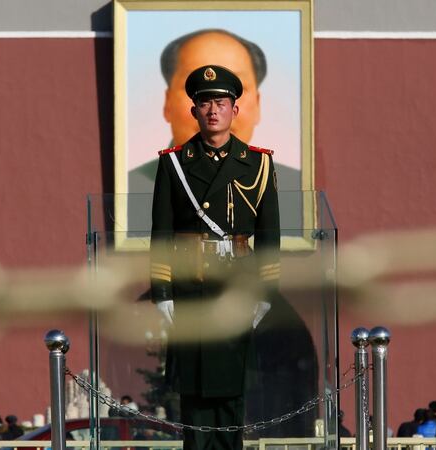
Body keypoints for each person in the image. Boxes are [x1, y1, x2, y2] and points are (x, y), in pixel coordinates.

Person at [150, 64, 280, 450]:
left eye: (220, 103)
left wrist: (266, 292)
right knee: (194, 394)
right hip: (190, 289)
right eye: (204, 103)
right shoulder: (174, 163)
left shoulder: (258, 163)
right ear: (193, 111)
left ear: (234, 110)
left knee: (231, 395)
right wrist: (162, 291)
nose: (212, 110)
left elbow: (269, 239)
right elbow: (161, 235)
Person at [128, 29, 300, 200]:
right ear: (167, 102)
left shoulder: (272, 174)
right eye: (203, 101)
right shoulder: (141, 181)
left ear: (257, 103)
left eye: (223, 101)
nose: (213, 112)